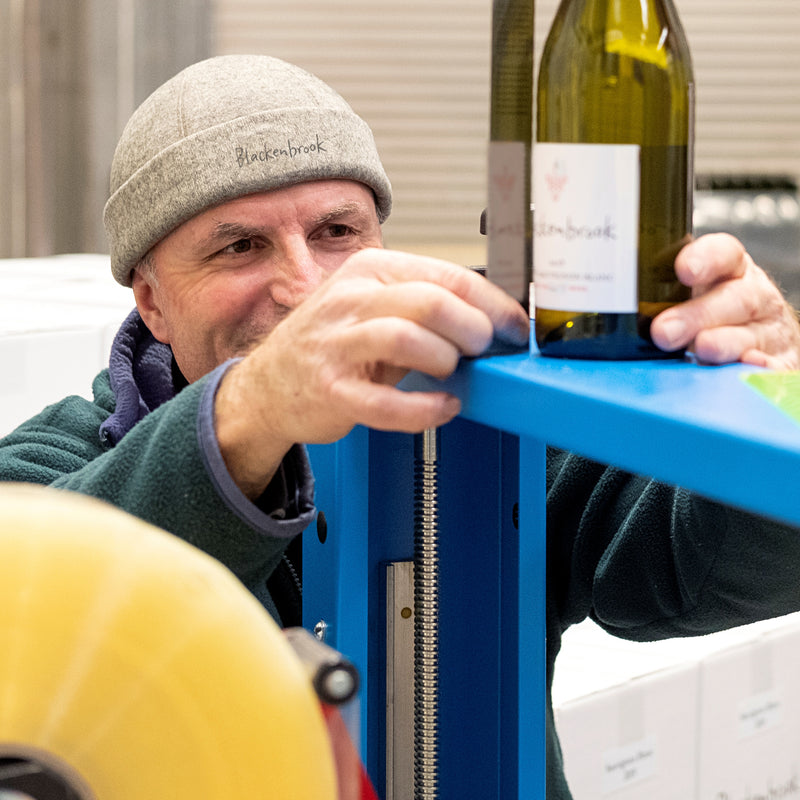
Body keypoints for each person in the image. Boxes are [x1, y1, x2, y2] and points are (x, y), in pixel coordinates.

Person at [1, 55, 799, 799]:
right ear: (152, 301)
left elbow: (707, 565)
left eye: (336, 233)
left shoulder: (475, 430)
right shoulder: (54, 463)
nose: (305, 285)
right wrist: (257, 407)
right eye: (238, 247)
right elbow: (33, 601)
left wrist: (773, 402)